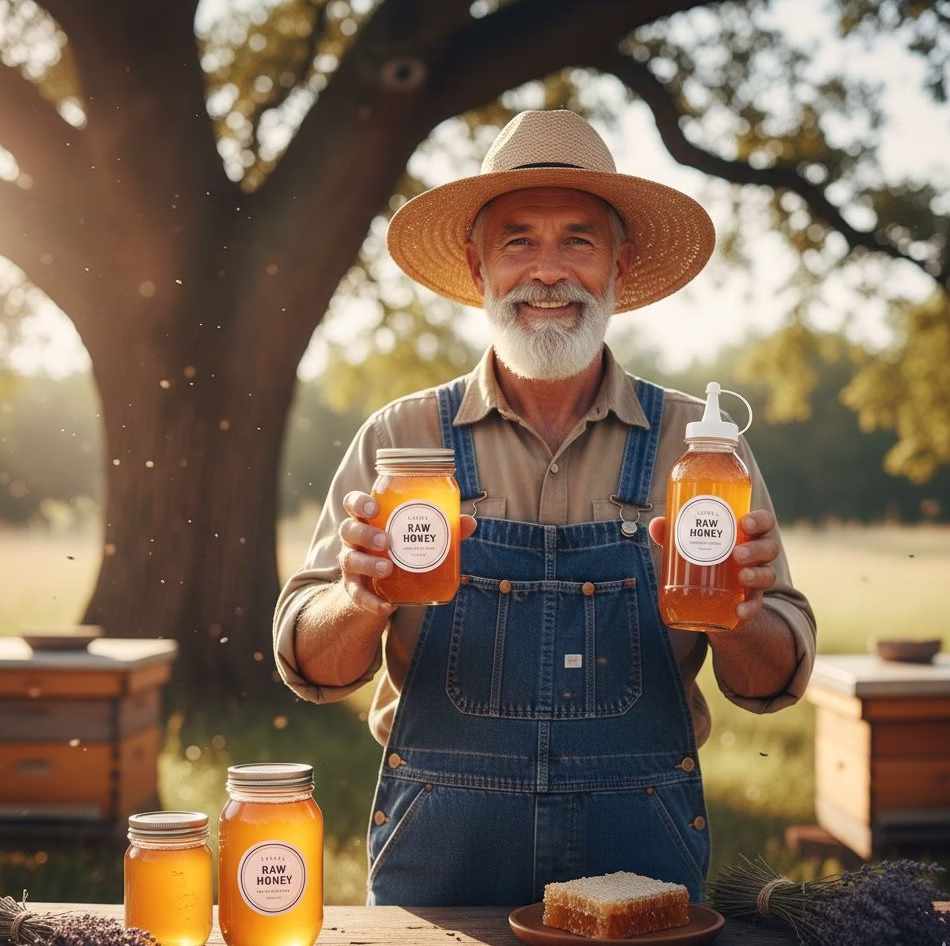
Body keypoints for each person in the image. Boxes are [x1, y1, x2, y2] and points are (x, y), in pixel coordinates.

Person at [273, 109, 816, 907]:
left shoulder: (700, 455)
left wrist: (736, 615)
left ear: (620, 267)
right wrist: (359, 600)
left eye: (579, 241)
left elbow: (773, 682)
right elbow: (311, 667)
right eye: (519, 240)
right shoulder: (402, 440)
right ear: (477, 267)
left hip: (645, 858)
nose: (548, 271)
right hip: (441, 867)